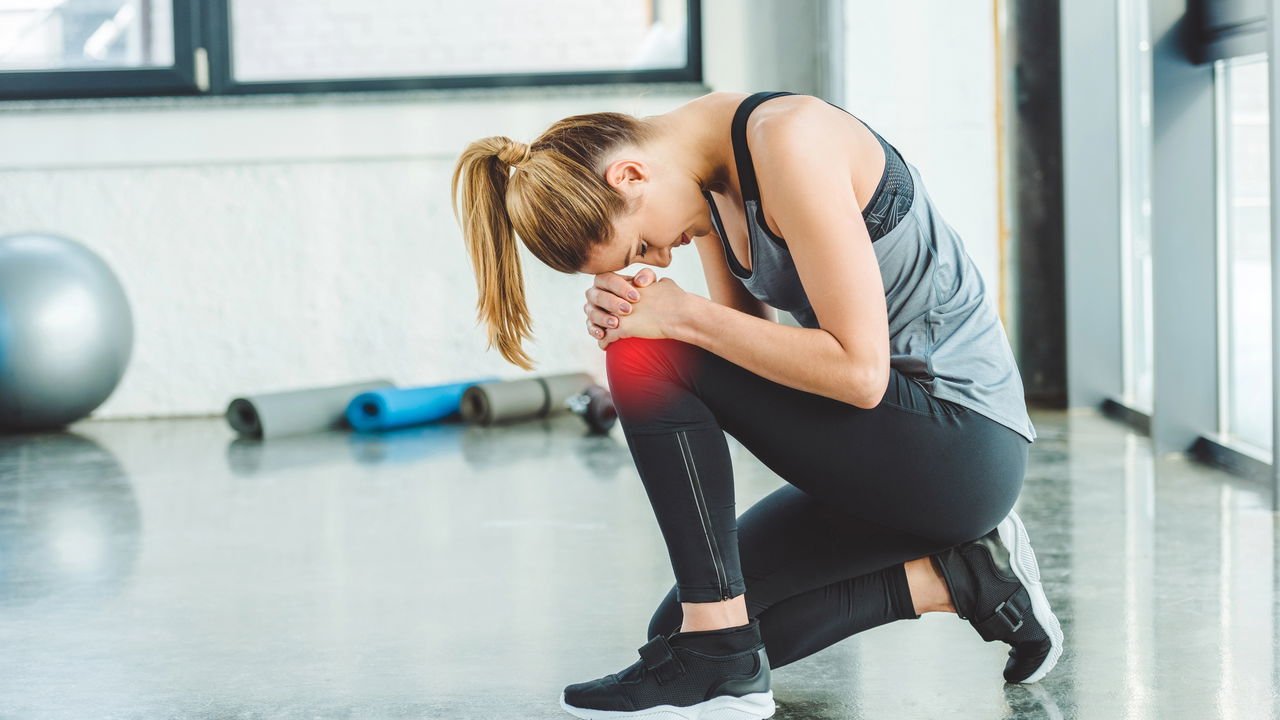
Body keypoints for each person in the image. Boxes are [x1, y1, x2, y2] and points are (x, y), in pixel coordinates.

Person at [451, 90, 1064, 720]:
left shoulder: (790, 141)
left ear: (630, 175)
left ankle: (721, 658)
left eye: (640, 246)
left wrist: (675, 317)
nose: (660, 259)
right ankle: (963, 577)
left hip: (961, 443)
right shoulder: (706, 182)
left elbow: (860, 374)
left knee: (648, 354)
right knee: (681, 632)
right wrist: (642, 314)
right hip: (892, 450)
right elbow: (746, 352)